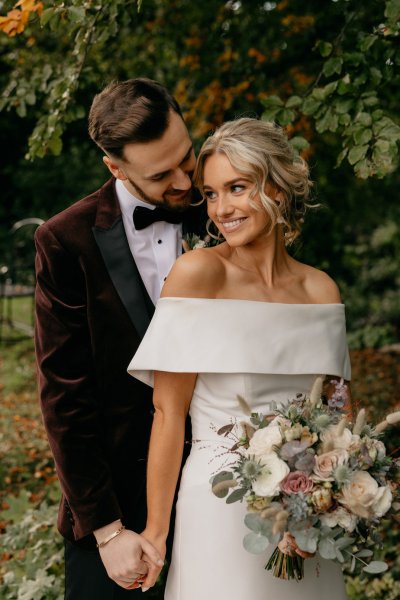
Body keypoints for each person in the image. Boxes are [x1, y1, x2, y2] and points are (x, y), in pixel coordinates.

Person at [128, 117, 351, 599]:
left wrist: (331, 505)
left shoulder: (320, 290)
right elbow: (168, 413)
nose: (222, 208)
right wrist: (156, 531)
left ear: (277, 185)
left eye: (237, 187)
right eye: (210, 194)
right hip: (219, 504)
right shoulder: (197, 275)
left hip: (306, 514)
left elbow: (337, 419)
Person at [34, 77, 206, 599]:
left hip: (230, 491)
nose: (183, 181)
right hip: (122, 511)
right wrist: (107, 530)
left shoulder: (226, 211)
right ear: (115, 168)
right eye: (161, 174)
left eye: (187, 157)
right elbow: (65, 398)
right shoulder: (65, 241)